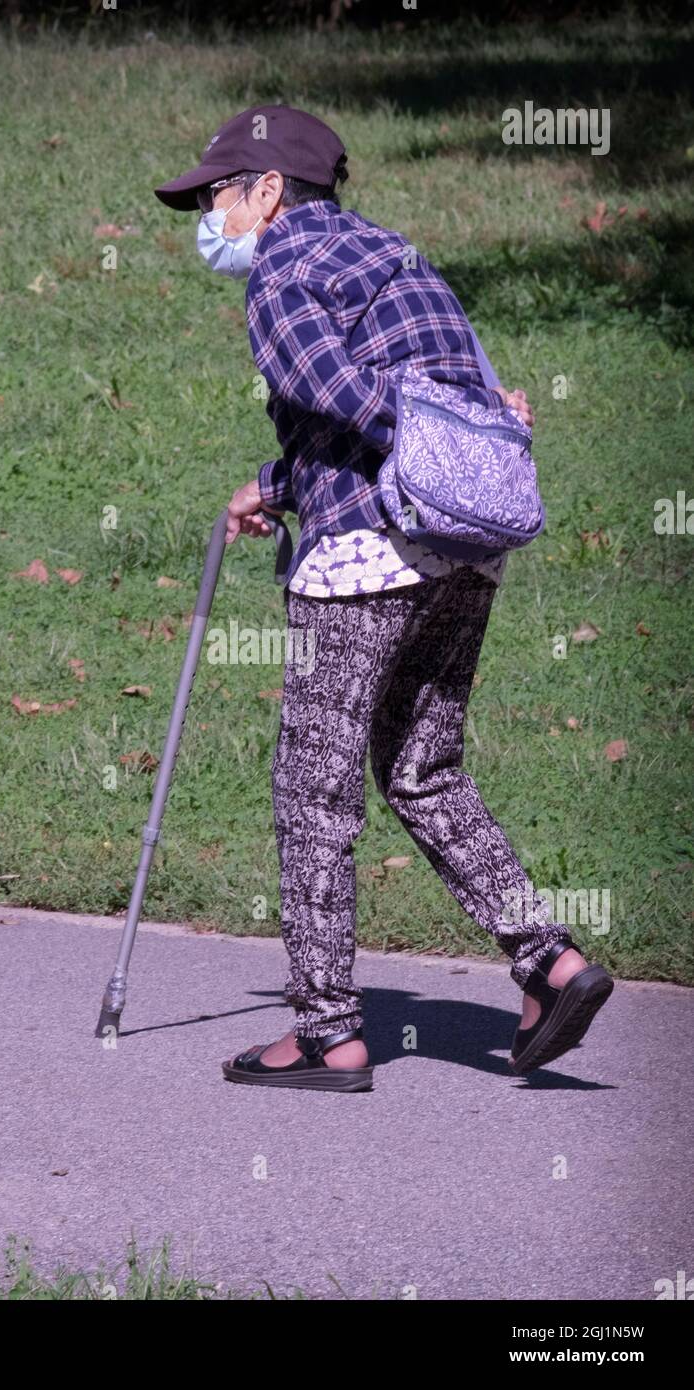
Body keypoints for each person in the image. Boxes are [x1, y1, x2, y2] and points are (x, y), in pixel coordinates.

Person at [154, 104, 613, 1092]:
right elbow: (420, 406)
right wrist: (274, 486)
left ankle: (326, 1032)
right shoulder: (397, 260)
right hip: (463, 548)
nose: (207, 214)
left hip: (364, 556)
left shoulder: (281, 272)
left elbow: (346, 397)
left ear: (268, 191)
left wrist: (365, 448)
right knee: (420, 768)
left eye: (215, 194)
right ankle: (548, 961)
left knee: (313, 793)